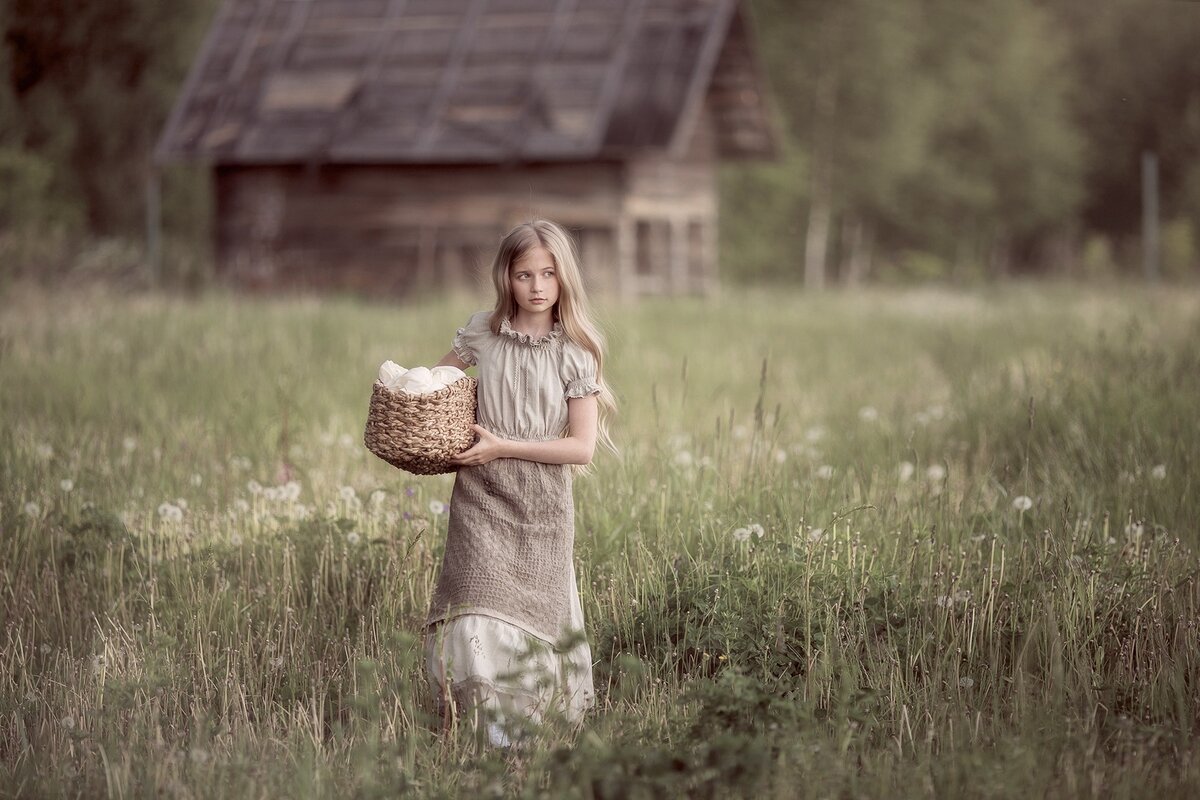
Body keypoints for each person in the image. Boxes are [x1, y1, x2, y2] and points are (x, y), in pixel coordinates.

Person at [423, 219, 616, 747]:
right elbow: (434, 390)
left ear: (563, 279)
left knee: (532, 615)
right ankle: (483, 729)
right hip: (480, 494)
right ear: (505, 277)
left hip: (542, 504)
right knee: (478, 606)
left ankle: (528, 732)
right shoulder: (482, 334)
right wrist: (408, 397)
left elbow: (581, 448)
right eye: (524, 273)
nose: (536, 286)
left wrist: (502, 445)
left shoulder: (576, 350)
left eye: (548, 274)